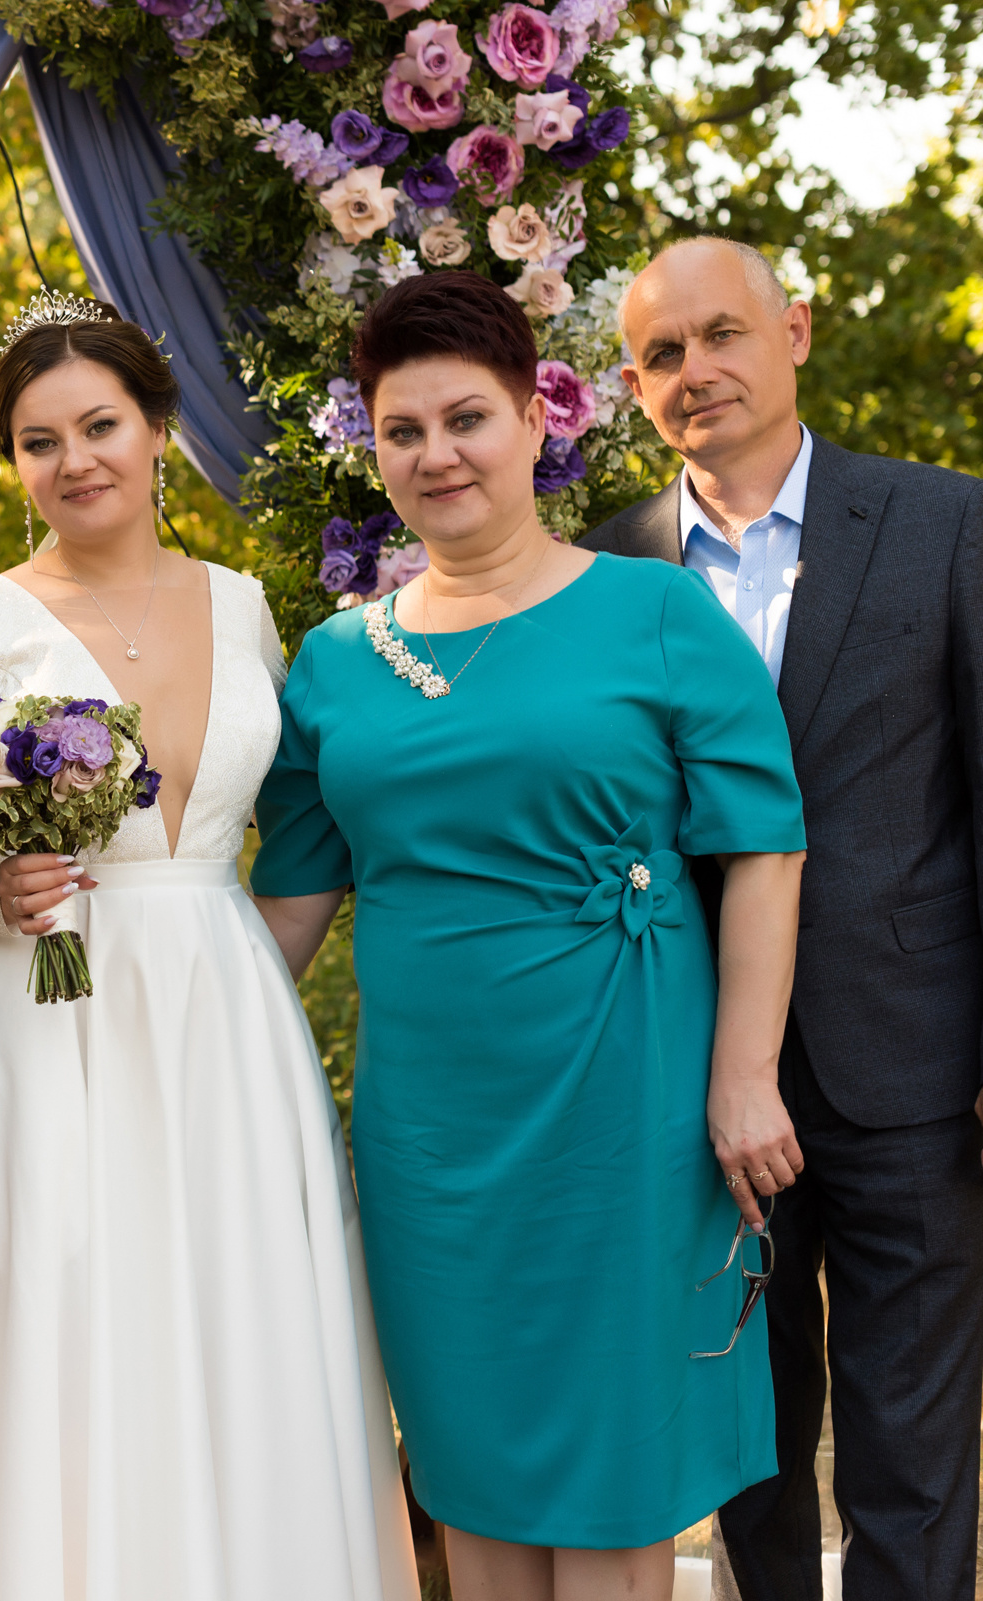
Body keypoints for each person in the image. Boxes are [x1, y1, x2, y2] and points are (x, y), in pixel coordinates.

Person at [0, 291, 418, 1600]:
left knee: (232, 1319)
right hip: (49, 1014)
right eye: (39, 440)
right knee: (68, 1318)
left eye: (99, 423)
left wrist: (261, 982)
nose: (74, 459)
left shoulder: (246, 610)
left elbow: (298, 831)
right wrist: (4, 889)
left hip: (222, 1016)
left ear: (157, 428)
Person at [250, 271, 808, 1601]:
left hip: (626, 1101)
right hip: (430, 1132)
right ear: (374, 449)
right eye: (403, 430)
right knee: (468, 1474)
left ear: (533, 422)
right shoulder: (334, 661)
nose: (437, 454)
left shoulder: (658, 609)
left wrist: (743, 1076)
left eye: (467, 419)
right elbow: (283, 913)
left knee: (613, 1484)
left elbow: (767, 848)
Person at [581, 237, 983, 1601]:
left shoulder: (947, 524)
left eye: (724, 334)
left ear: (795, 331)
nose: (698, 371)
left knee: (913, 1444)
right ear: (633, 388)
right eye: (662, 355)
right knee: (740, 1437)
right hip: (690, 1071)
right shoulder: (600, 573)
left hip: (910, 1058)